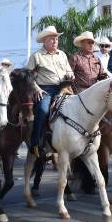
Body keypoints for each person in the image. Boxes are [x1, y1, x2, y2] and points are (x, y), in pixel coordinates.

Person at [27, 25, 74, 153]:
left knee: (78, 107)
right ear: (44, 41)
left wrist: (70, 74)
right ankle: (35, 142)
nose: (55, 41)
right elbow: (28, 77)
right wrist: (37, 89)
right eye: (52, 39)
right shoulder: (36, 56)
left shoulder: (62, 54)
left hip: (64, 88)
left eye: (56, 39)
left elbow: (69, 70)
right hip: (45, 90)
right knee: (42, 110)